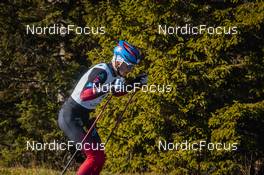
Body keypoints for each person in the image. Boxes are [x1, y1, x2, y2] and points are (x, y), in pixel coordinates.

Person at [58, 40, 147, 175]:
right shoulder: (102, 71)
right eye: (128, 66)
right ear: (117, 61)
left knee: (100, 158)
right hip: (70, 116)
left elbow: (116, 93)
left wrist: (135, 83)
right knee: (94, 157)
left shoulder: (115, 75)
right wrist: (109, 86)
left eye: (131, 68)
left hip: (84, 116)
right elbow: (85, 94)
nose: (129, 70)